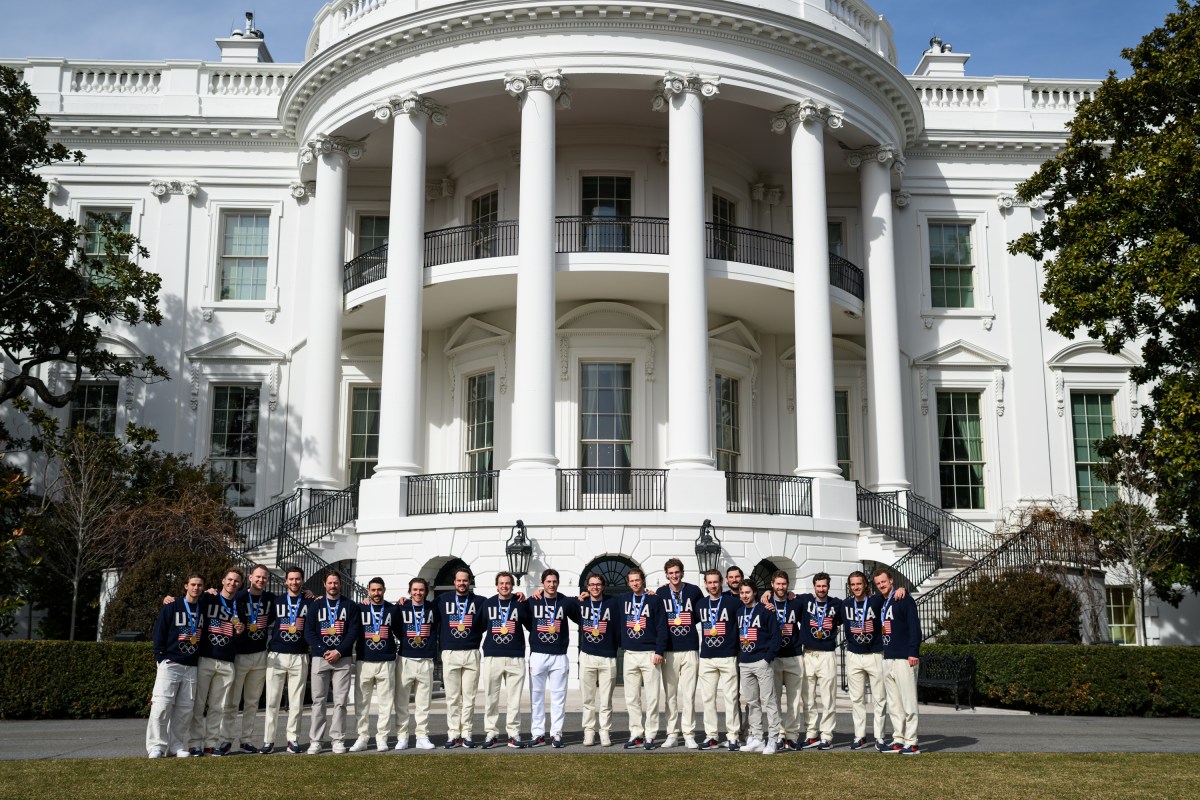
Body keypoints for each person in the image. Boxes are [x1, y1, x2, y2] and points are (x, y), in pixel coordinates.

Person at [147, 573, 206, 758]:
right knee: (161, 706)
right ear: (185, 586)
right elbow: (159, 633)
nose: (196, 588)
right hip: (171, 663)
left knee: (184, 710)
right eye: (193, 584)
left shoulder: (204, 608)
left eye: (200, 585)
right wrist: (161, 658)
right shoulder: (172, 606)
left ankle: (177, 745)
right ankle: (157, 746)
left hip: (191, 666)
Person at [304, 571, 360, 754]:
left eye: (336, 583)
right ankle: (316, 741)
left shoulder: (350, 605)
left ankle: (337, 739)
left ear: (340, 584)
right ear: (324, 584)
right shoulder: (316, 605)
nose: (333, 586)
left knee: (340, 702)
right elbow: (309, 632)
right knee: (318, 701)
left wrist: (338, 651)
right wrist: (323, 651)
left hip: (342, 659)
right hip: (320, 658)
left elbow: (353, 632)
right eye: (330, 583)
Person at [189, 567, 243, 756]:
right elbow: (190, 601)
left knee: (217, 706)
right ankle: (194, 742)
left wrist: (239, 631)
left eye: (236, 581)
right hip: (206, 657)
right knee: (198, 703)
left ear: (240, 584)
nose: (232, 583)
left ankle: (211, 743)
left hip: (227, 661)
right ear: (222, 581)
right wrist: (169, 599)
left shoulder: (239, 604)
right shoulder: (208, 598)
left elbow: (240, 632)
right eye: (229, 580)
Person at [222, 563, 274, 754]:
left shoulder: (270, 599)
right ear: (250, 578)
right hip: (239, 655)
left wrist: (309, 593)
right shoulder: (239, 597)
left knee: (252, 702)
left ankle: (246, 740)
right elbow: (220, 598)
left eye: (264, 578)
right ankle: (225, 739)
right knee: (232, 702)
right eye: (258, 577)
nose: (261, 580)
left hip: (260, 655)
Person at [526, 568, 579, 748]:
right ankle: (538, 734)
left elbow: (582, 612)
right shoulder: (533, 601)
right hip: (538, 654)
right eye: (548, 581)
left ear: (558, 582)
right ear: (542, 583)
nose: (552, 584)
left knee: (559, 697)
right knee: (536, 696)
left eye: (554, 581)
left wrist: (585, 595)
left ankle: (556, 733)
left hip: (559, 655)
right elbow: (526, 621)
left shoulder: (565, 601)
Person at [873, 566, 922, 755]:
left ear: (891, 581)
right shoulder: (881, 601)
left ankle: (912, 742)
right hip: (888, 658)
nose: (881, 586)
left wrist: (913, 652)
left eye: (884, 582)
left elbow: (914, 627)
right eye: (878, 584)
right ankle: (898, 739)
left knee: (908, 702)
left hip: (904, 658)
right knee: (894, 703)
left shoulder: (904, 600)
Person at [436, 567, 487, 748]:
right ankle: (453, 734)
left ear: (469, 582)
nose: (462, 583)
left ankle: (467, 733)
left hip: (471, 652)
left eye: (465, 580)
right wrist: (405, 600)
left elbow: (497, 610)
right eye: (459, 580)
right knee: (452, 698)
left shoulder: (480, 602)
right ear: (454, 582)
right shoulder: (442, 600)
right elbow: (423, 608)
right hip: (450, 653)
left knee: (469, 697)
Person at [656, 558, 703, 749]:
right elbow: (657, 617)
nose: (674, 576)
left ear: (682, 573)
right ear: (666, 575)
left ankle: (689, 733)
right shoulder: (660, 593)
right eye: (671, 573)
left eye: (677, 572)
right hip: (669, 650)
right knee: (670, 695)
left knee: (689, 694)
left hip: (690, 647)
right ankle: (672, 733)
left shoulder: (693, 591)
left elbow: (702, 614)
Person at [263, 565, 309, 754]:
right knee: (272, 701)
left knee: (296, 702)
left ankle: (293, 739)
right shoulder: (276, 601)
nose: (294, 582)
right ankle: (268, 740)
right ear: (285, 581)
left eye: (298, 579)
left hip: (299, 655)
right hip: (277, 655)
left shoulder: (310, 602)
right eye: (291, 579)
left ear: (302, 581)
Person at [619, 567, 667, 750]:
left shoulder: (654, 600)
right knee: (632, 698)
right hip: (630, 654)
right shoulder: (623, 599)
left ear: (643, 581)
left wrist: (659, 651)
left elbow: (662, 626)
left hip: (650, 654)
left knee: (652, 697)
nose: (635, 584)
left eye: (637, 580)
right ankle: (636, 734)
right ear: (628, 583)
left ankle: (651, 735)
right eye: (631, 581)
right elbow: (599, 600)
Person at [481, 571, 529, 748]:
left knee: (514, 699)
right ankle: (491, 733)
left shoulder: (520, 603)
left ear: (512, 585)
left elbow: (531, 623)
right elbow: (479, 625)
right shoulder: (488, 603)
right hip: (493, 656)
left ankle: (514, 734)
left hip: (515, 656)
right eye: (501, 583)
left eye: (507, 583)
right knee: (491, 698)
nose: (504, 586)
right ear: (497, 585)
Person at [350, 577, 397, 752]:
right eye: (373, 590)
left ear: (384, 590)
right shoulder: (359, 608)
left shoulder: (393, 609)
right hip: (364, 660)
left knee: (386, 703)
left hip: (386, 661)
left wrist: (404, 600)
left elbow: (401, 630)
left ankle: (382, 737)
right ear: (368, 591)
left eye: (379, 590)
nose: (376, 593)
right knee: (361, 702)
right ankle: (362, 737)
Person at [696, 569, 741, 751]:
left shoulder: (733, 603)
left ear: (721, 582)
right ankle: (711, 736)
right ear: (705, 584)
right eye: (710, 582)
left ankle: (733, 737)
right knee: (708, 699)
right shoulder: (700, 604)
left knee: (731, 698)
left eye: (716, 582)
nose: (713, 585)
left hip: (728, 655)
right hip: (707, 656)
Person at [798, 571, 842, 750]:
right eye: (818, 586)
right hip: (808, 654)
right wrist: (767, 594)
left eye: (824, 586)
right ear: (813, 587)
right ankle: (811, 733)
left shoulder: (836, 604)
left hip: (827, 655)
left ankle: (827, 735)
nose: (821, 589)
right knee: (807, 698)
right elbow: (783, 595)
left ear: (828, 587)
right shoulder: (805, 601)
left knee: (828, 697)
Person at [844, 570, 888, 751]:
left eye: (859, 584)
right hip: (854, 655)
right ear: (850, 587)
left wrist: (903, 590)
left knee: (879, 698)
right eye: (853, 584)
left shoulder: (877, 601)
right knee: (857, 699)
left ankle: (879, 737)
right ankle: (860, 736)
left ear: (866, 585)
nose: (856, 587)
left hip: (875, 654)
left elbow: (892, 596)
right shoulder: (845, 604)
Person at [736, 580, 781, 754]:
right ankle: (757, 738)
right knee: (752, 702)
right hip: (745, 662)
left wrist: (767, 658)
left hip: (762, 661)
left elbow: (775, 635)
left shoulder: (765, 610)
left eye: (748, 592)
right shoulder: (739, 612)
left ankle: (773, 739)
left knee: (769, 701)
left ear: (754, 593)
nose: (745, 596)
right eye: (742, 593)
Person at [575, 572, 619, 747]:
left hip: (608, 657)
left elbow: (634, 595)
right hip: (587, 656)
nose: (595, 587)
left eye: (598, 584)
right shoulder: (580, 603)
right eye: (592, 584)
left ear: (603, 587)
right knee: (588, 699)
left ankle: (605, 732)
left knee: (606, 699)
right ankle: (589, 731)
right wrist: (538, 592)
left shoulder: (613, 602)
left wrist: (650, 592)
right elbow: (556, 598)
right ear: (587, 587)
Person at [394, 577, 438, 751]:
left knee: (423, 703)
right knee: (402, 702)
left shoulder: (433, 607)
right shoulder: (401, 607)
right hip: (405, 659)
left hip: (426, 660)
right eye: (415, 590)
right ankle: (402, 736)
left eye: (421, 590)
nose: (418, 593)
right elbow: (395, 627)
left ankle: (422, 736)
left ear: (426, 591)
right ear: (409, 591)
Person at [767, 570, 804, 751]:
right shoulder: (765, 603)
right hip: (774, 658)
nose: (781, 587)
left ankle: (791, 736)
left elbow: (816, 597)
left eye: (784, 584)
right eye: (778, 584)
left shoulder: (796, 602)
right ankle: (779, 734)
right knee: (774, 699)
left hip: (793, 655)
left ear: (788, 585)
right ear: (772, 584)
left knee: (794, 700)